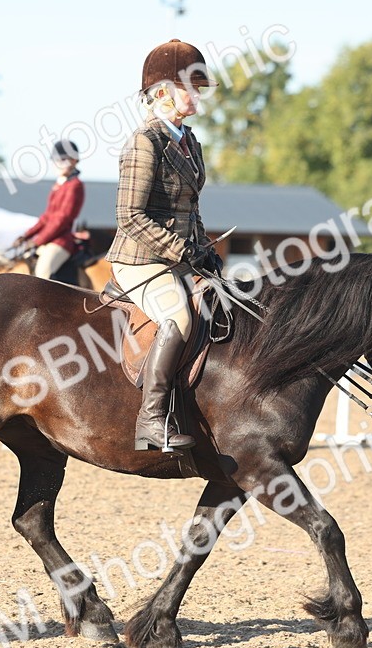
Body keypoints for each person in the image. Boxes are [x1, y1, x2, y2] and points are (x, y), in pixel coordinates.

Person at [106, 39, 221, 452]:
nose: (196, 95)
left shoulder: (191, 143)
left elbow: (191, 209)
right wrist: (180, 251)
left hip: (180, 257)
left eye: (198, 87)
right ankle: (151, 420)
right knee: (180, 317)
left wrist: (203, 248)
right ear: (161, 93)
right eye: (188, 86)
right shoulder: (145, 142)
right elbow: (130, 217)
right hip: (140, 260)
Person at [13, 140, 86, 279]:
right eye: (57, 160)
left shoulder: (75, 186)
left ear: (74, 161)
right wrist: (26, 236)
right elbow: (47, 217)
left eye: (63, 160)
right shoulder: (58, 186)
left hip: (61, 241)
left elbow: (62, 219)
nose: (58, 164)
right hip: (49, 240)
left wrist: (37, 241)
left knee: (42, 273)